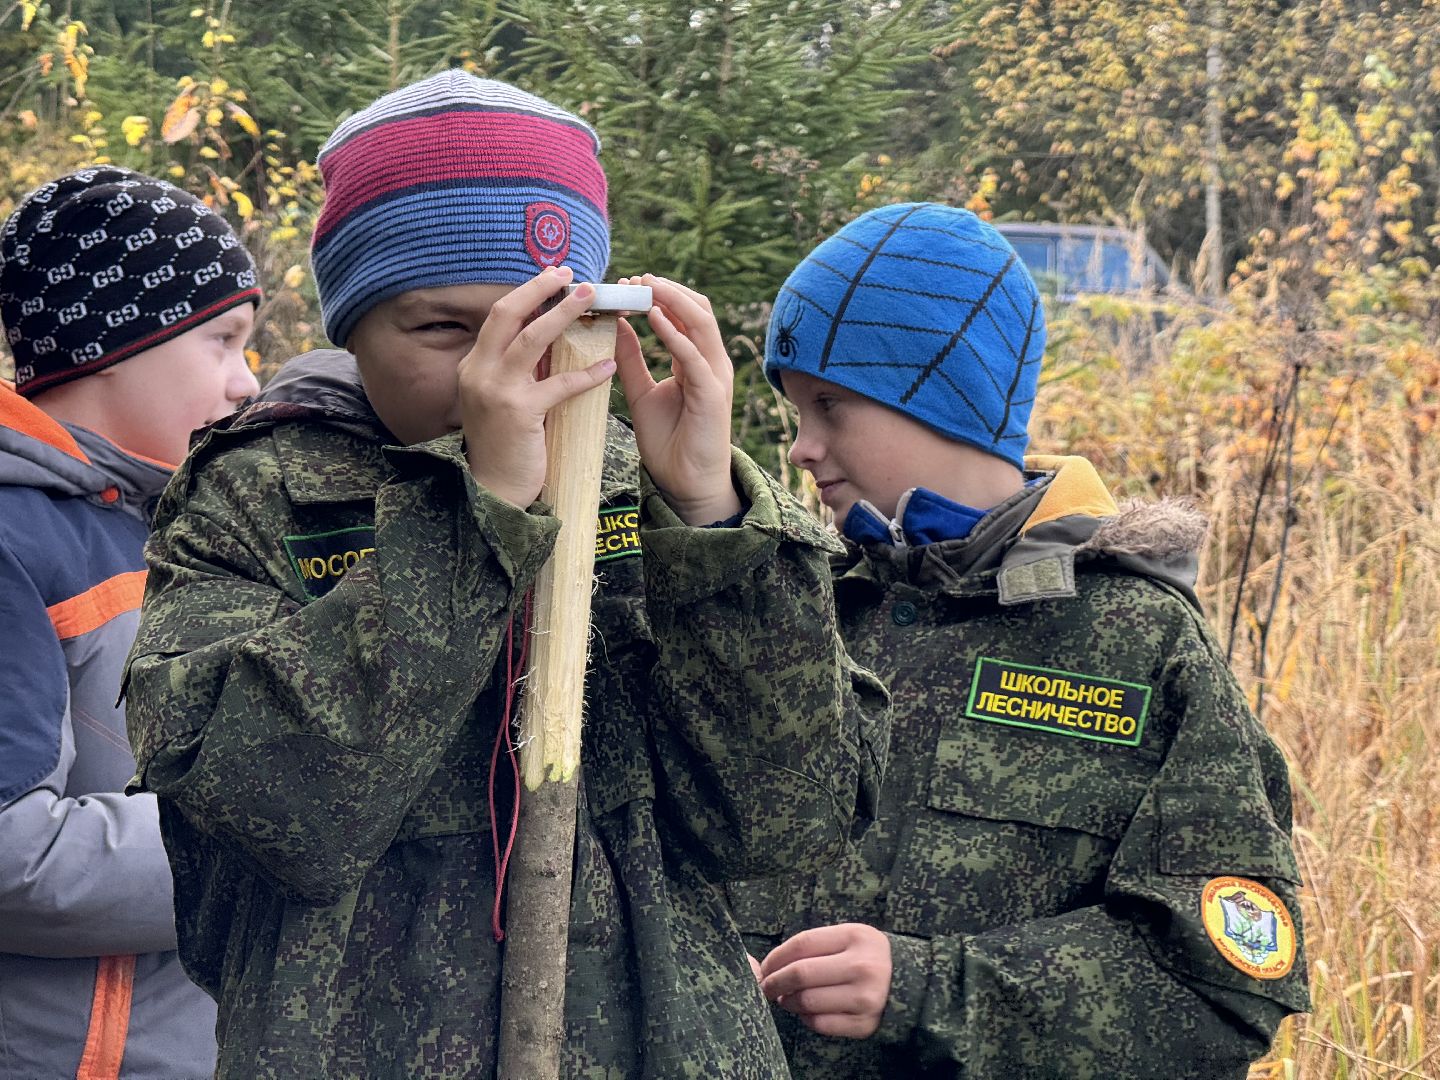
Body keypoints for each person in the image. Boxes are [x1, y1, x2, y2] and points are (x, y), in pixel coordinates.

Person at [121, 70, 885, 1079]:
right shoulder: (257, 496)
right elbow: (277, 812)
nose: (504, 374)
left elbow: (784, 823)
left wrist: (712, 518)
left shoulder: (649, 491)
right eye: (446, 330)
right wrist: (476, 520)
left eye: (548, 326)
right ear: (352, 327)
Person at [732, 202, 1309, 1078]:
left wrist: (928, 991)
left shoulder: (1136, 638)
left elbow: (1221, 985)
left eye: (830, 405)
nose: (802, 448)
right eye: (794, 411)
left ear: (943, 396)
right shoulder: (796, 607)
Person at [0, 166, 260, 1079]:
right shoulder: (14, 539)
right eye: (223, 341)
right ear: (114, 345)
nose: (246, 382)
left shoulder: (174, 530)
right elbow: (12, 857)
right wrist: (268, 833)